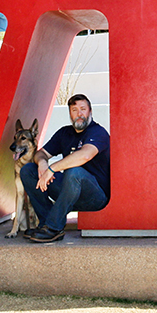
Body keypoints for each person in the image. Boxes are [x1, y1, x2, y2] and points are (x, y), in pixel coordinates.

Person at [20, 93, 110, 243]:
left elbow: (85, 155)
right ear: (69, 113)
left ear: (90, 112)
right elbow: (40, 153)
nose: (79, 114)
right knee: (28, 170)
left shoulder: (98, 132)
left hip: (95, 197)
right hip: (68, 193)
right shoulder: (64, 133)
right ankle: (45, 224)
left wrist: (52, 169)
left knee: (74, 171)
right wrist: (42, 163)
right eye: (74, 110)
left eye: (83, 109)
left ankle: (54, 227)